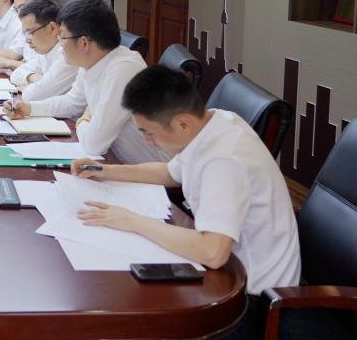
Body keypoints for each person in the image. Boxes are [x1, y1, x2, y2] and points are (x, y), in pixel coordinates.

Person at [72, 65, 301, 339]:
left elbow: (212, 252)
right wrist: (105, 171)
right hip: (227, 272)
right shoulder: (213, 122)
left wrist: (132, 221)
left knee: (128, 317)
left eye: (149, 133)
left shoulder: (223, 159)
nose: (147, 141)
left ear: (182, 123)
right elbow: (170, 173)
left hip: (250, 300)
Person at [5, 0, 165, 164]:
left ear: (84, 43)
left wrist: (83, 119)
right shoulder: (90, 62)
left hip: (149, 170)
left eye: (62, 37)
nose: (59, 44)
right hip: (116, 160)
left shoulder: (123, 68)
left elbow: (94, 143)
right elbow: (71, 103)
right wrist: (29, 108)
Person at [8, 0, 77, 101]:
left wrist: (38, 86)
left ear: (52, 28)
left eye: (30, 32)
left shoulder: (68, 54)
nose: (27, 40)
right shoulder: (46, 52)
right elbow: (16, 74)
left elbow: (35, 95)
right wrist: (34, 77)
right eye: (25, 33)